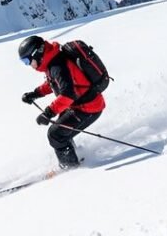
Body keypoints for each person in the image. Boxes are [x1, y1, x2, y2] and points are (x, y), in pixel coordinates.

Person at [17, 35, 105, 170]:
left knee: (55, 135)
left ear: (37, 53)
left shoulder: (57, 66)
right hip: (80, 104)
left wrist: (48, 113)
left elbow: (68, 94)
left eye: (27, 60)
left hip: (88, 107)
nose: (29, 65)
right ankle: (72, 157)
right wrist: (35, 93)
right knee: (61, 130)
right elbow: (53, 83)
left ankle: (71, 167)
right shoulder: (52, 61)